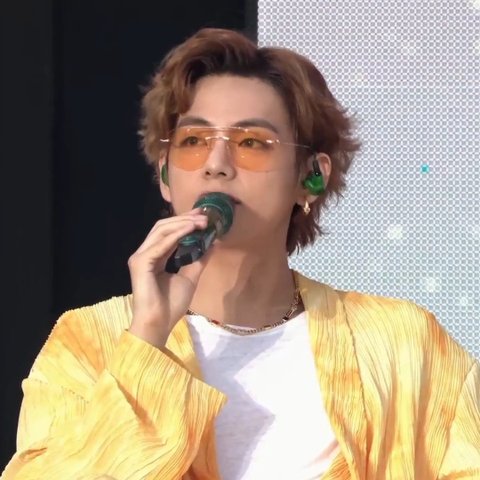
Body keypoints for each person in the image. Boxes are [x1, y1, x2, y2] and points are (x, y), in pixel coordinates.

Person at [2, 27, 479, 480]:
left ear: (311, 176)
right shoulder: (89, 341)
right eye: (193, 141)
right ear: (165, 174)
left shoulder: (404, 345)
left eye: (251, 143)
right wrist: (146, 340)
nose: (216, 164)